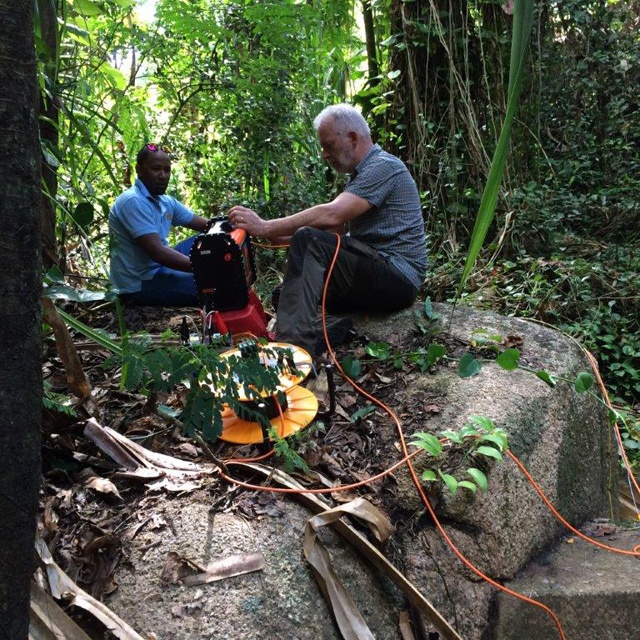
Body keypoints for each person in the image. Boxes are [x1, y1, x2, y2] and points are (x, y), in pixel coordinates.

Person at [228, 103, 428, 356]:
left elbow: (332, 214)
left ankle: (293, 350)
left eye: (328, 145)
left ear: (352, 138)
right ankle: (330, 330)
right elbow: (335, 229)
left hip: (398, 277)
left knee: (308, 240)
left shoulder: (384, 167)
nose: (324, 154)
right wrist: (273, 235)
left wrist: (266, 226)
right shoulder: (361, 174)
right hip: (375, 274)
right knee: (286, 296)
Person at [109, 143, 210, 306]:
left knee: (214, 238)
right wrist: (204, 267)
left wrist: (231, 223)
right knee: (214, 287)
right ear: (139, 170)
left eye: (167, 170)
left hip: (160, 268)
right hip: (141, 283)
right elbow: (159, 253)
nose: (163, 175)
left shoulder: (165, 201)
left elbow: (207, 226)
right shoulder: (132, 201)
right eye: (156, 169)